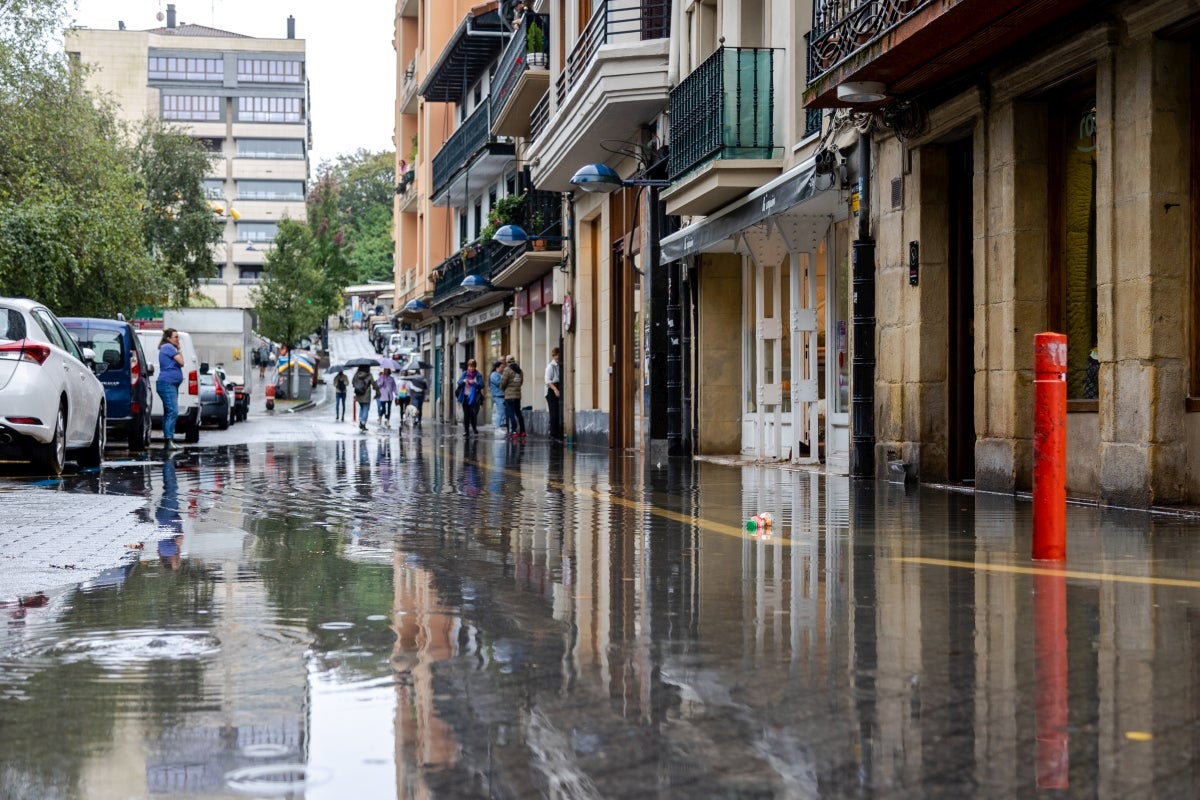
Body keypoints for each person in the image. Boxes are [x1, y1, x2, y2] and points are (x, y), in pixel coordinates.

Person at [156, 328, 184, 449]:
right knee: (173, 411)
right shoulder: (168, 347)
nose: (178, 339)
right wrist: (179, 349)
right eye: (176, 337)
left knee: (168, 412)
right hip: (167, 383)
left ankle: (169, 440)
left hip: (170, 384)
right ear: (168, 338)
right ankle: (168, 440)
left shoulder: (168, 347)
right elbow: (181, 362)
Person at [456, 359, 484, 435]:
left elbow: (482, 385)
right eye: (470, 366)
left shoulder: (478, 374)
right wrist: (464, 381)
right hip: (465, 396)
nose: (471, 368)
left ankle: (474, 428)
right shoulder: (464, 374)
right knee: (466, 414)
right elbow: (459, 382)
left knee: (473, 413)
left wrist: (475, 382)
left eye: (473, 367)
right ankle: (466, 430)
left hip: (474, 397)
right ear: (468, 366)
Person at [500, 354, 526, 438]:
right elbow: (521, 382)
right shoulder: (520, 370)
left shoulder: (507, 370)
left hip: (509, 396)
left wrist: (502, 387)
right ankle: (522, 431)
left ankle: (514, 431)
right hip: (517, 395)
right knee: (518, 413)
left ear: (507, 362)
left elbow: (503, 383)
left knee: (511, 413)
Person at [351, 365, 377, 433]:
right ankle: (363, 424)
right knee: (366, 408)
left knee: (362, 407)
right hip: (366, 394)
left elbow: (353, 382)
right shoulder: (369, 375)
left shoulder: (357, 374)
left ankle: (360, 421)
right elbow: (374, 384)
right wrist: (377, 389)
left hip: (358, 394)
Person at [544, 347, 563, 440]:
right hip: (551, 390)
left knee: (558, 412)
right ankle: (553, 434)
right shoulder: (550, 366)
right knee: (554, 412)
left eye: (558, 355)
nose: (557, 357)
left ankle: (556, 432)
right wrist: (555, 390)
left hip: (559, 387)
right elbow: (547, 381)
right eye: (556, 355)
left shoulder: (560, 365)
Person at [490, 360, 506, 436]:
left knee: (501, 412)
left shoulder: (498, 374)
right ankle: (497, 428)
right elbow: (500, 383)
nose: (502, 368)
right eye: (501, 367)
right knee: (500, 412)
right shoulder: (494, 375)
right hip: (498, 395)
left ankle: (499, 427)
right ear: (497, 367)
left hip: (500, 395)